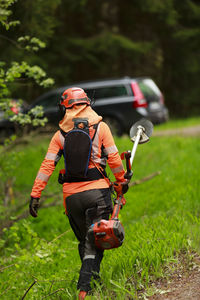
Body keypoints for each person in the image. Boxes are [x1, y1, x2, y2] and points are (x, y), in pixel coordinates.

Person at [29, 87, 128, 299]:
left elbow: (47, 166)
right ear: (87, 104)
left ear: (64, 107)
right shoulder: (101, 127)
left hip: (71, 198)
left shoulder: (59, 135)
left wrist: (35, 194)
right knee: (95, 242)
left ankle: (94, 284)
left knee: (86, 242)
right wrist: (121, 182)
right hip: (98, 194)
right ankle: (84, 290)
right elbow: (114, 160)